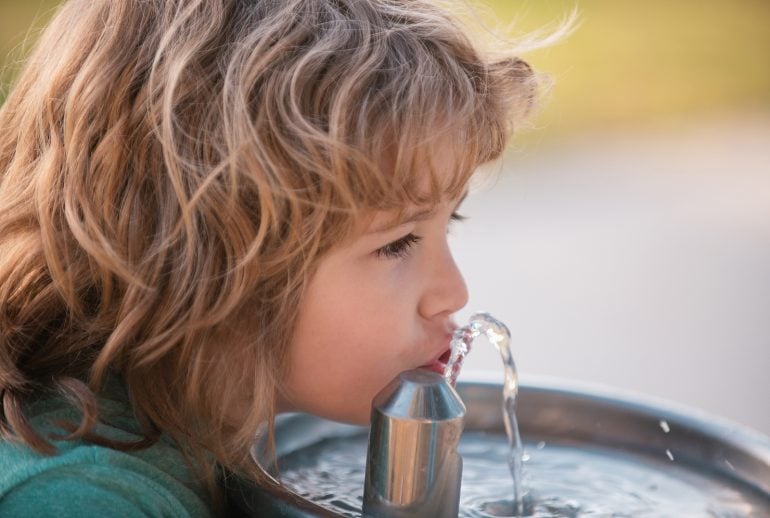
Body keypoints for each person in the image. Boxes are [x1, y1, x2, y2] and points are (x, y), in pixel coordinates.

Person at [0, 0, 543, 515]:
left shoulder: (212, 414)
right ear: (209, 267)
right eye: (395, 244)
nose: (454, 293)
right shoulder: (85, 497)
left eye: (450, 221)